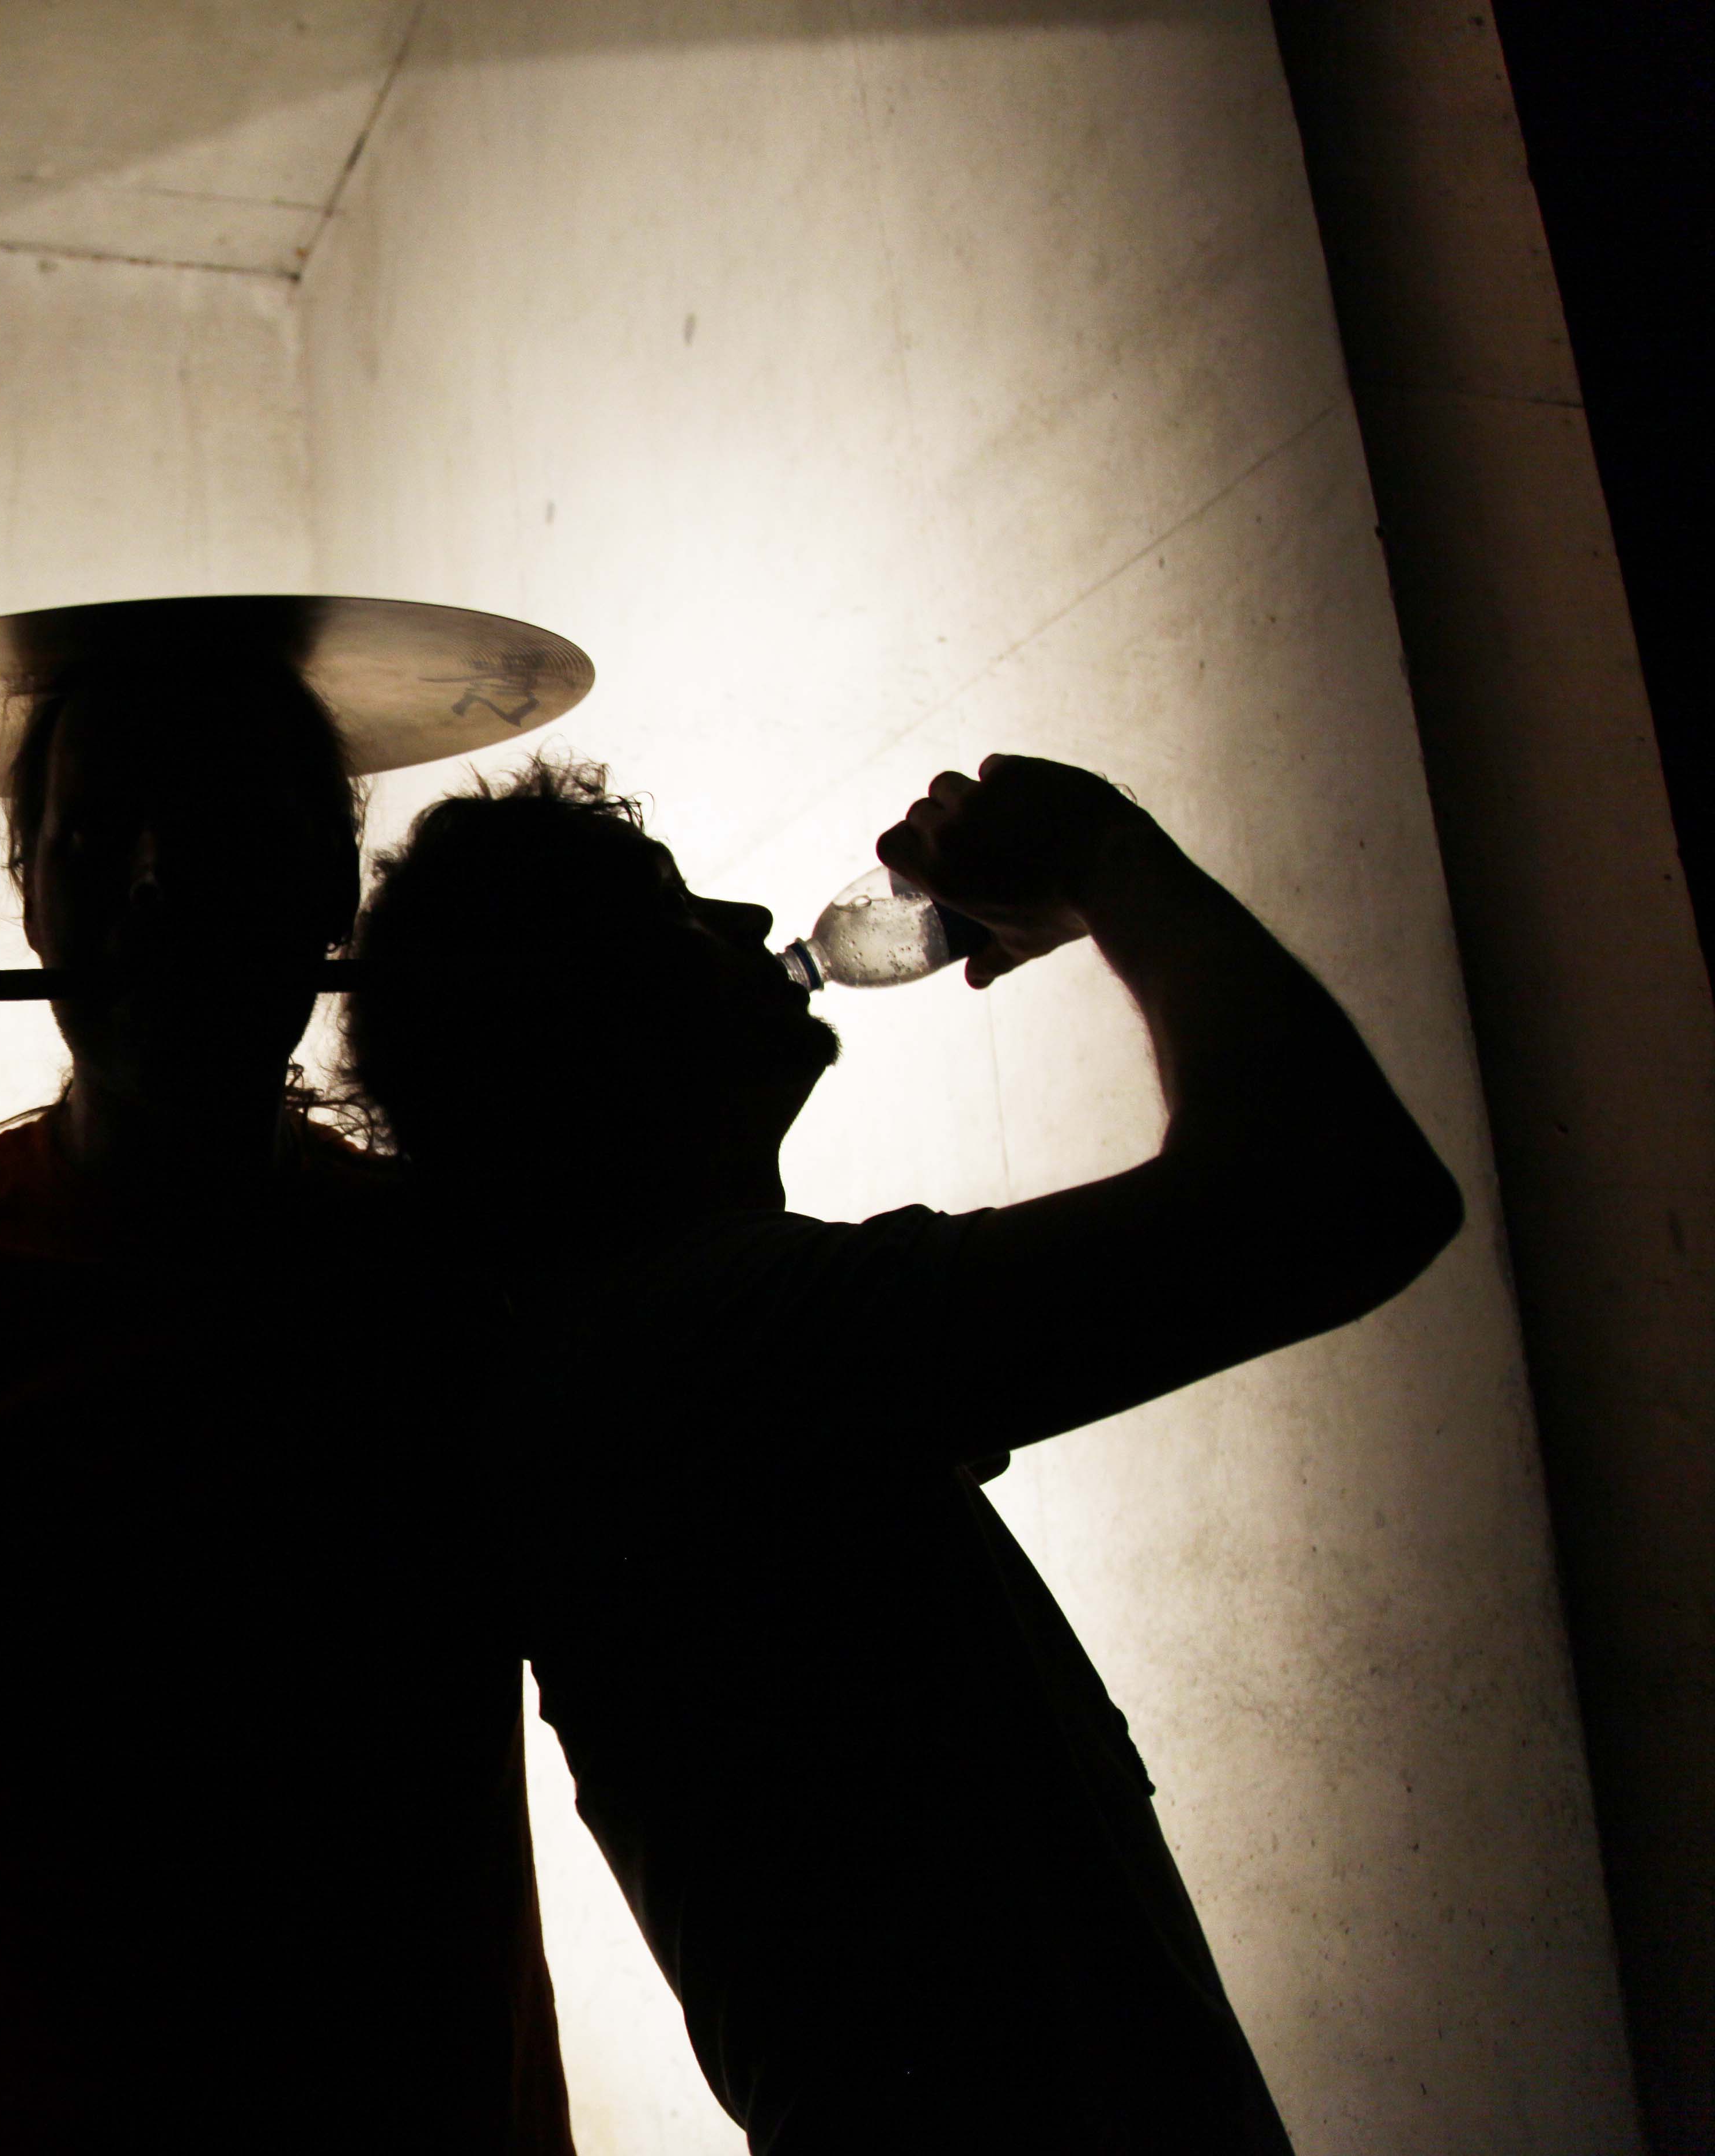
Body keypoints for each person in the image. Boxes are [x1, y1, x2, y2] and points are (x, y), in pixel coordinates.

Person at [340, 752, 1466, 2155]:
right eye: (675, 912)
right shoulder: (706, 1351)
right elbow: (1340, 1197)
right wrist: (1105, 856)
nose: (753, 922)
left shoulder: (666, 1354)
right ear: (582, 1033)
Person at [0, 652, 573, 2153]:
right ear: (30, 893)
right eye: (99, 835)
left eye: (231, 835)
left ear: (333, 890)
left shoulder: (473, 1281)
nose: (161, 884)